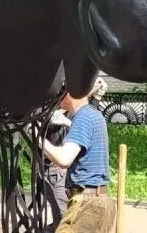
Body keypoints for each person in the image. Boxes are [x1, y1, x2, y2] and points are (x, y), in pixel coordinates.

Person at [40, 89, 115, 233]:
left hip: (88, 203)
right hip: (97, 200)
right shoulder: (93, 115)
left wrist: (38, 139)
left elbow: (64, 159)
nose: (57, 99)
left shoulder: (83, 117)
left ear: (69, 94)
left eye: (59, 94)